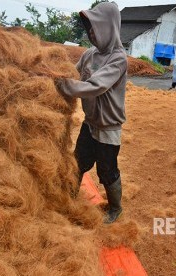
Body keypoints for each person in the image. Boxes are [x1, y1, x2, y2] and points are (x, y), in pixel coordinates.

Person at [55, 2, 127, 224]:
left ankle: (115, 208)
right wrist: (50, 75)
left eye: (95, 28)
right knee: (79, 162)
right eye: (89, 29)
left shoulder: (118, 59)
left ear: (109, 27)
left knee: (107, 170)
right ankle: (69, 198)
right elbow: (73, 73)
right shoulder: (89, 54)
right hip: (90, 122)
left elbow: (96, 85)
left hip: (108, 127)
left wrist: (63, 86)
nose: (91, 34)